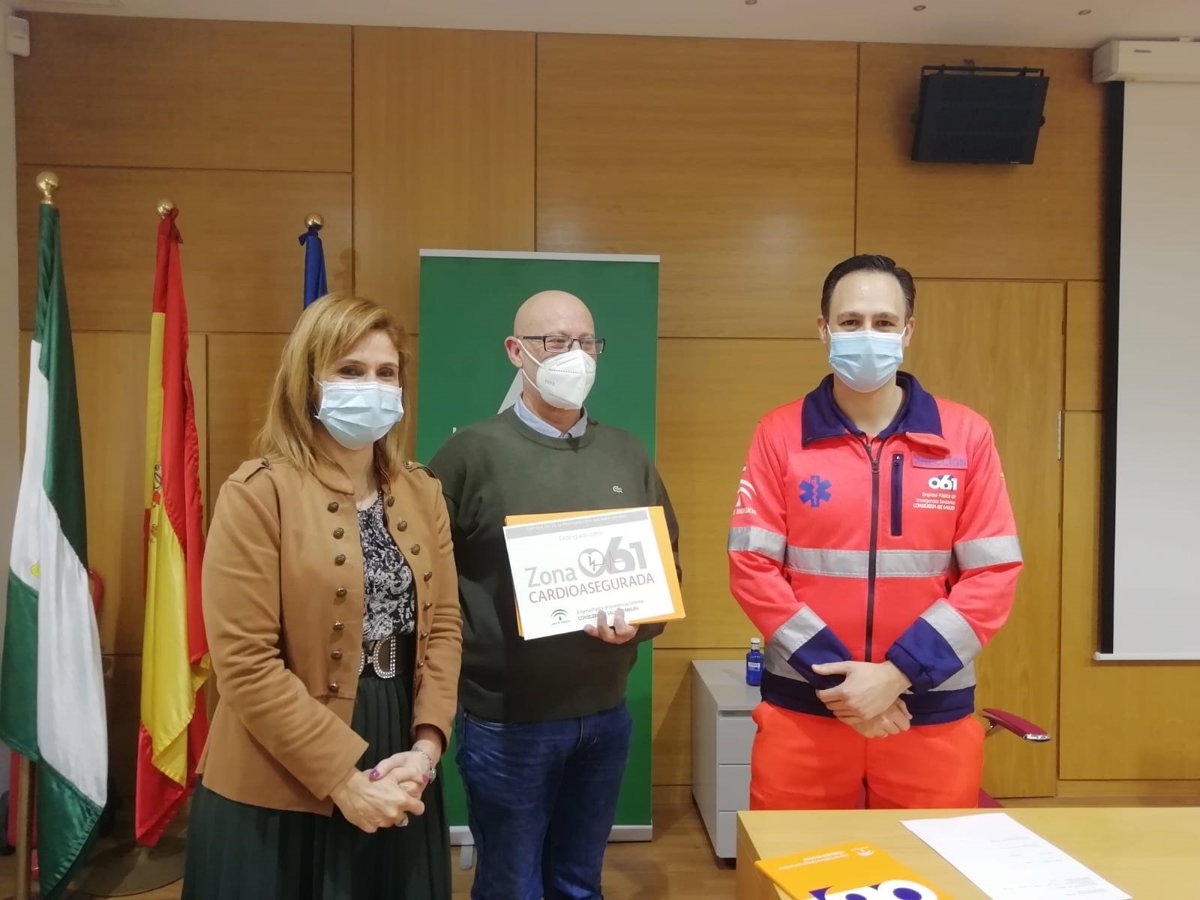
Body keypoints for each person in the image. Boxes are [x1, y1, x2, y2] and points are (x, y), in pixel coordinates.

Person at [183, 294, 462, 899]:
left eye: (386, 373)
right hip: (279, 761)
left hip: (399, 741)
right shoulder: (257, 493)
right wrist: (343, 782)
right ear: (308, 383)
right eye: (350, 371)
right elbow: (245, 664)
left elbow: (443, 628)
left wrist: (426, 748)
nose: (373, 387)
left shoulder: (423, 492)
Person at [728, 254, 1022, 811]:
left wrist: (896, 675)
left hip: (928, 713)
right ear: (824, 330)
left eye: (884, 322)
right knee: (795, 860)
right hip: (807, 709)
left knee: (929, 860)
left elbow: (994, 573)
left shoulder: (966, 436)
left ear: (908, 331)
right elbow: (751, 568)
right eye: (851, 321)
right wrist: (843, 687)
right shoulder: (779, 434)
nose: (868, 334)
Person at [429, 290, 680, 900]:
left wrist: (641, 622)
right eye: (556, 341)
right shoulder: (469, 453)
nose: (575, 355)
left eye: (586, 342)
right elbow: (427, 578)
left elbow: (665, 563)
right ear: (517, 352)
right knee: (511, 885)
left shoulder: (626, 451)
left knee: (578, 882)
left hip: (605, 715)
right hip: (507, 721)